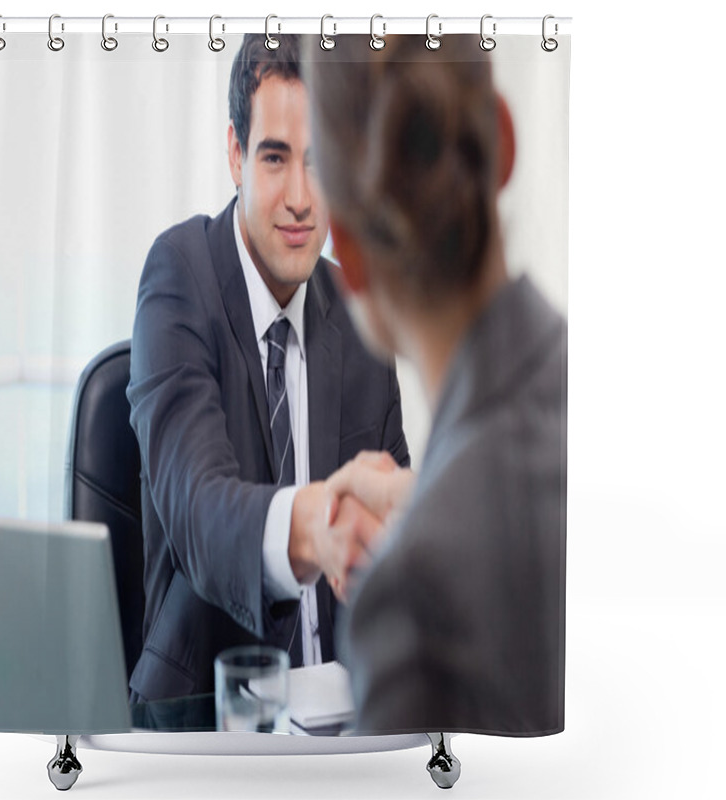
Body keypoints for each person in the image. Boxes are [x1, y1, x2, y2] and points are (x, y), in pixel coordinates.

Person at [126, 34, 409, 702]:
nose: (302, 199)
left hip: (346, 711)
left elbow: (390, 526)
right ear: (235, 153)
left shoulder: (360, 312)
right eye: (276, 158)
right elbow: (199, 509)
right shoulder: (179, 276)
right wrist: (320, 525)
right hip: (205, 716)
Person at [305, 35, 566, 734]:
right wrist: (421, 494)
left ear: (349, 260)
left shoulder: (411, 599)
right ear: (503, 144)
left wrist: (429, 517)